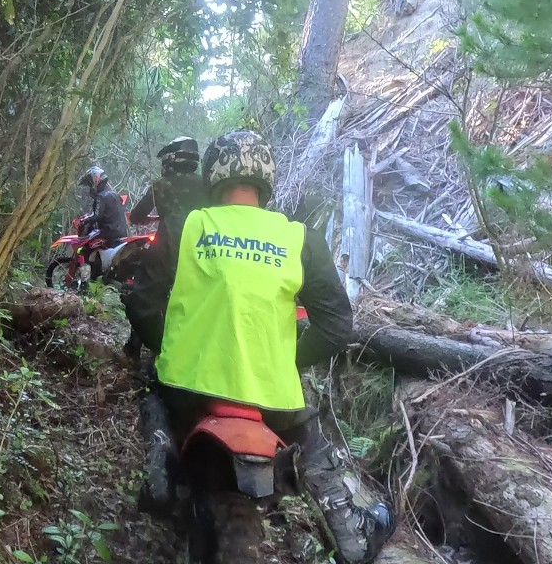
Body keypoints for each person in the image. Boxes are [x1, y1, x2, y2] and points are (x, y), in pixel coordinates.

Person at [137, 130, 395, 564]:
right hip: (272, 401)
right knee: (311, 440)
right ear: (266, 178)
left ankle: (159, 470)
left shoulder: (189, 226)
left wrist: (171, 347)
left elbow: (142, 301)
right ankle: (350, 531)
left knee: (153, 385)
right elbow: (336, 326)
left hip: (188, 388)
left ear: (213, 175)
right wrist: (283, 361)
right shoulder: (299, 238)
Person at [122, 137, 208, 361]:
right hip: (204, 250)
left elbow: (137, 216)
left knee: (141, 296)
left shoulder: (161, 185)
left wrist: (156, 215)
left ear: (171, 159)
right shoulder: (206, 185)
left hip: (167, 247)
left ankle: (140, 347)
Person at [79, 166, 129, 243]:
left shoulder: (101, 196)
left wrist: (84, 220)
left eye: (90, 184)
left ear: (95, 180)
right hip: (122, 234)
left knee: (88, 241)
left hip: (109, 233)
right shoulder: (114, 194)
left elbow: (97, 216)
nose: (90, 188)